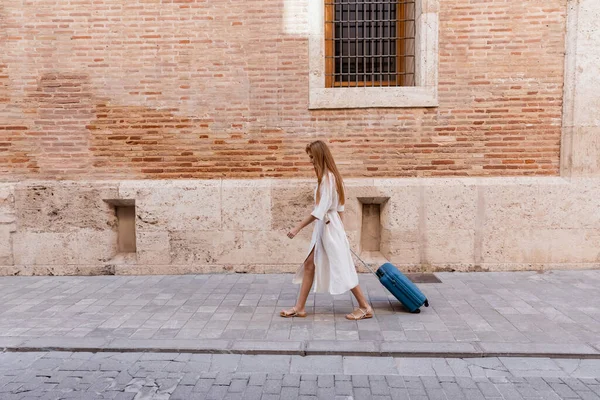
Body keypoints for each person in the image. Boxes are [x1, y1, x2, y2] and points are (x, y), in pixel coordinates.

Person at [280, 140, 373, 321]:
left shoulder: (328, 179)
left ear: (320, 156)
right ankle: (299, 307)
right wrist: (340, 229)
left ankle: (365, 306)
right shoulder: (330, 177)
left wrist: (297, 228)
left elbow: (320, 211)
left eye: (312, 157)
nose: (310, 161)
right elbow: (340, 209)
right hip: (329, 226)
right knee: (309, 264)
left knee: (342, 266)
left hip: (329, 227)